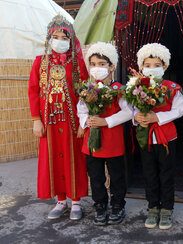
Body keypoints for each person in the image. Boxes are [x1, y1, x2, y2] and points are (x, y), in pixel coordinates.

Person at [28, 14, 89, 220]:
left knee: (75, 159)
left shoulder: (78, 63)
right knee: (52, 159)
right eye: (56, 37)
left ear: (71, 40)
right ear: (49, 38)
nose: (60, 41)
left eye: (65, 38)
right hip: (49, 122)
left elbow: (85, 93)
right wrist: (36, 119)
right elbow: (33, 91)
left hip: (72, 124)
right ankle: (60, 201)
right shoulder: (40, 63)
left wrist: (83, 122)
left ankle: (76, 203)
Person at [77, 42, 133, 225]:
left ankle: (118, 205)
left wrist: (106, 121)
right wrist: (87, 121)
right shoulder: (87, 89)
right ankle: (100, 205)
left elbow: (128, 112)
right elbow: (81, 109)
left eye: (102, 64)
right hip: (92, 142)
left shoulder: (119, 89)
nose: (97, 68)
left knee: (117, 175)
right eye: (93, 64)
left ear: (112, 66)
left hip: (113, 140)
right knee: (96, 176)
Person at [133, 43, 183, 230]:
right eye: (148, 65)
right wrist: (136, 117)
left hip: (167, 138)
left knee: (166, 174)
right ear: (141, 67)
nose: (152, 69)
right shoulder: (136, 87)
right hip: (146, 138)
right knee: (149, 174)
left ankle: (167, 209)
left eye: (157, 65)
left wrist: (157, 117)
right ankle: (153, 207)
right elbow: (131, 109)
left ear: (164, 67)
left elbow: (179, 110)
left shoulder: (172, 88)